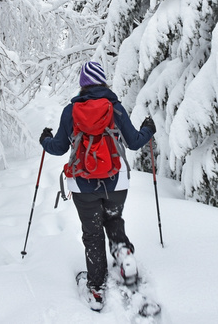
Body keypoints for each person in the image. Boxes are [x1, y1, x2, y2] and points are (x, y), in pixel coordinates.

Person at [39, 61, 156, 311]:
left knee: (92, 234)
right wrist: (148, 129)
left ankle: (96, 289)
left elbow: (59, 147)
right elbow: (135, 142)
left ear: (82, 84)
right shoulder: (115, 108)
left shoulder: (71, 111)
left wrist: (45, 140)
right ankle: (125, 260)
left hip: (83, 185)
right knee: (113, 220)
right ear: (103, 81)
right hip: (116, 182)